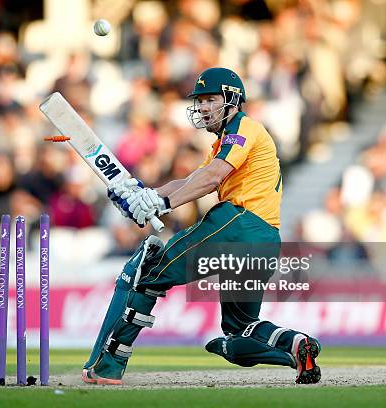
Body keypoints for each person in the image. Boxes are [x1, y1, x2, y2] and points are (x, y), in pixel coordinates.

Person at [82, 68, 321, 385]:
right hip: (265, 240)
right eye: (200, 100)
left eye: (210, 99)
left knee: (152, 275)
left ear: (233, 99)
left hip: (238, 224)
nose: (203, 107)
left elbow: (211, 179)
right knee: (240, 332)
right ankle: (295, 346)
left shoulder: (244, 129)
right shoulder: (224, 141)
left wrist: (163, 205)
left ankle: (110, 364)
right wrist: (148, 194)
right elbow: (192, 180)